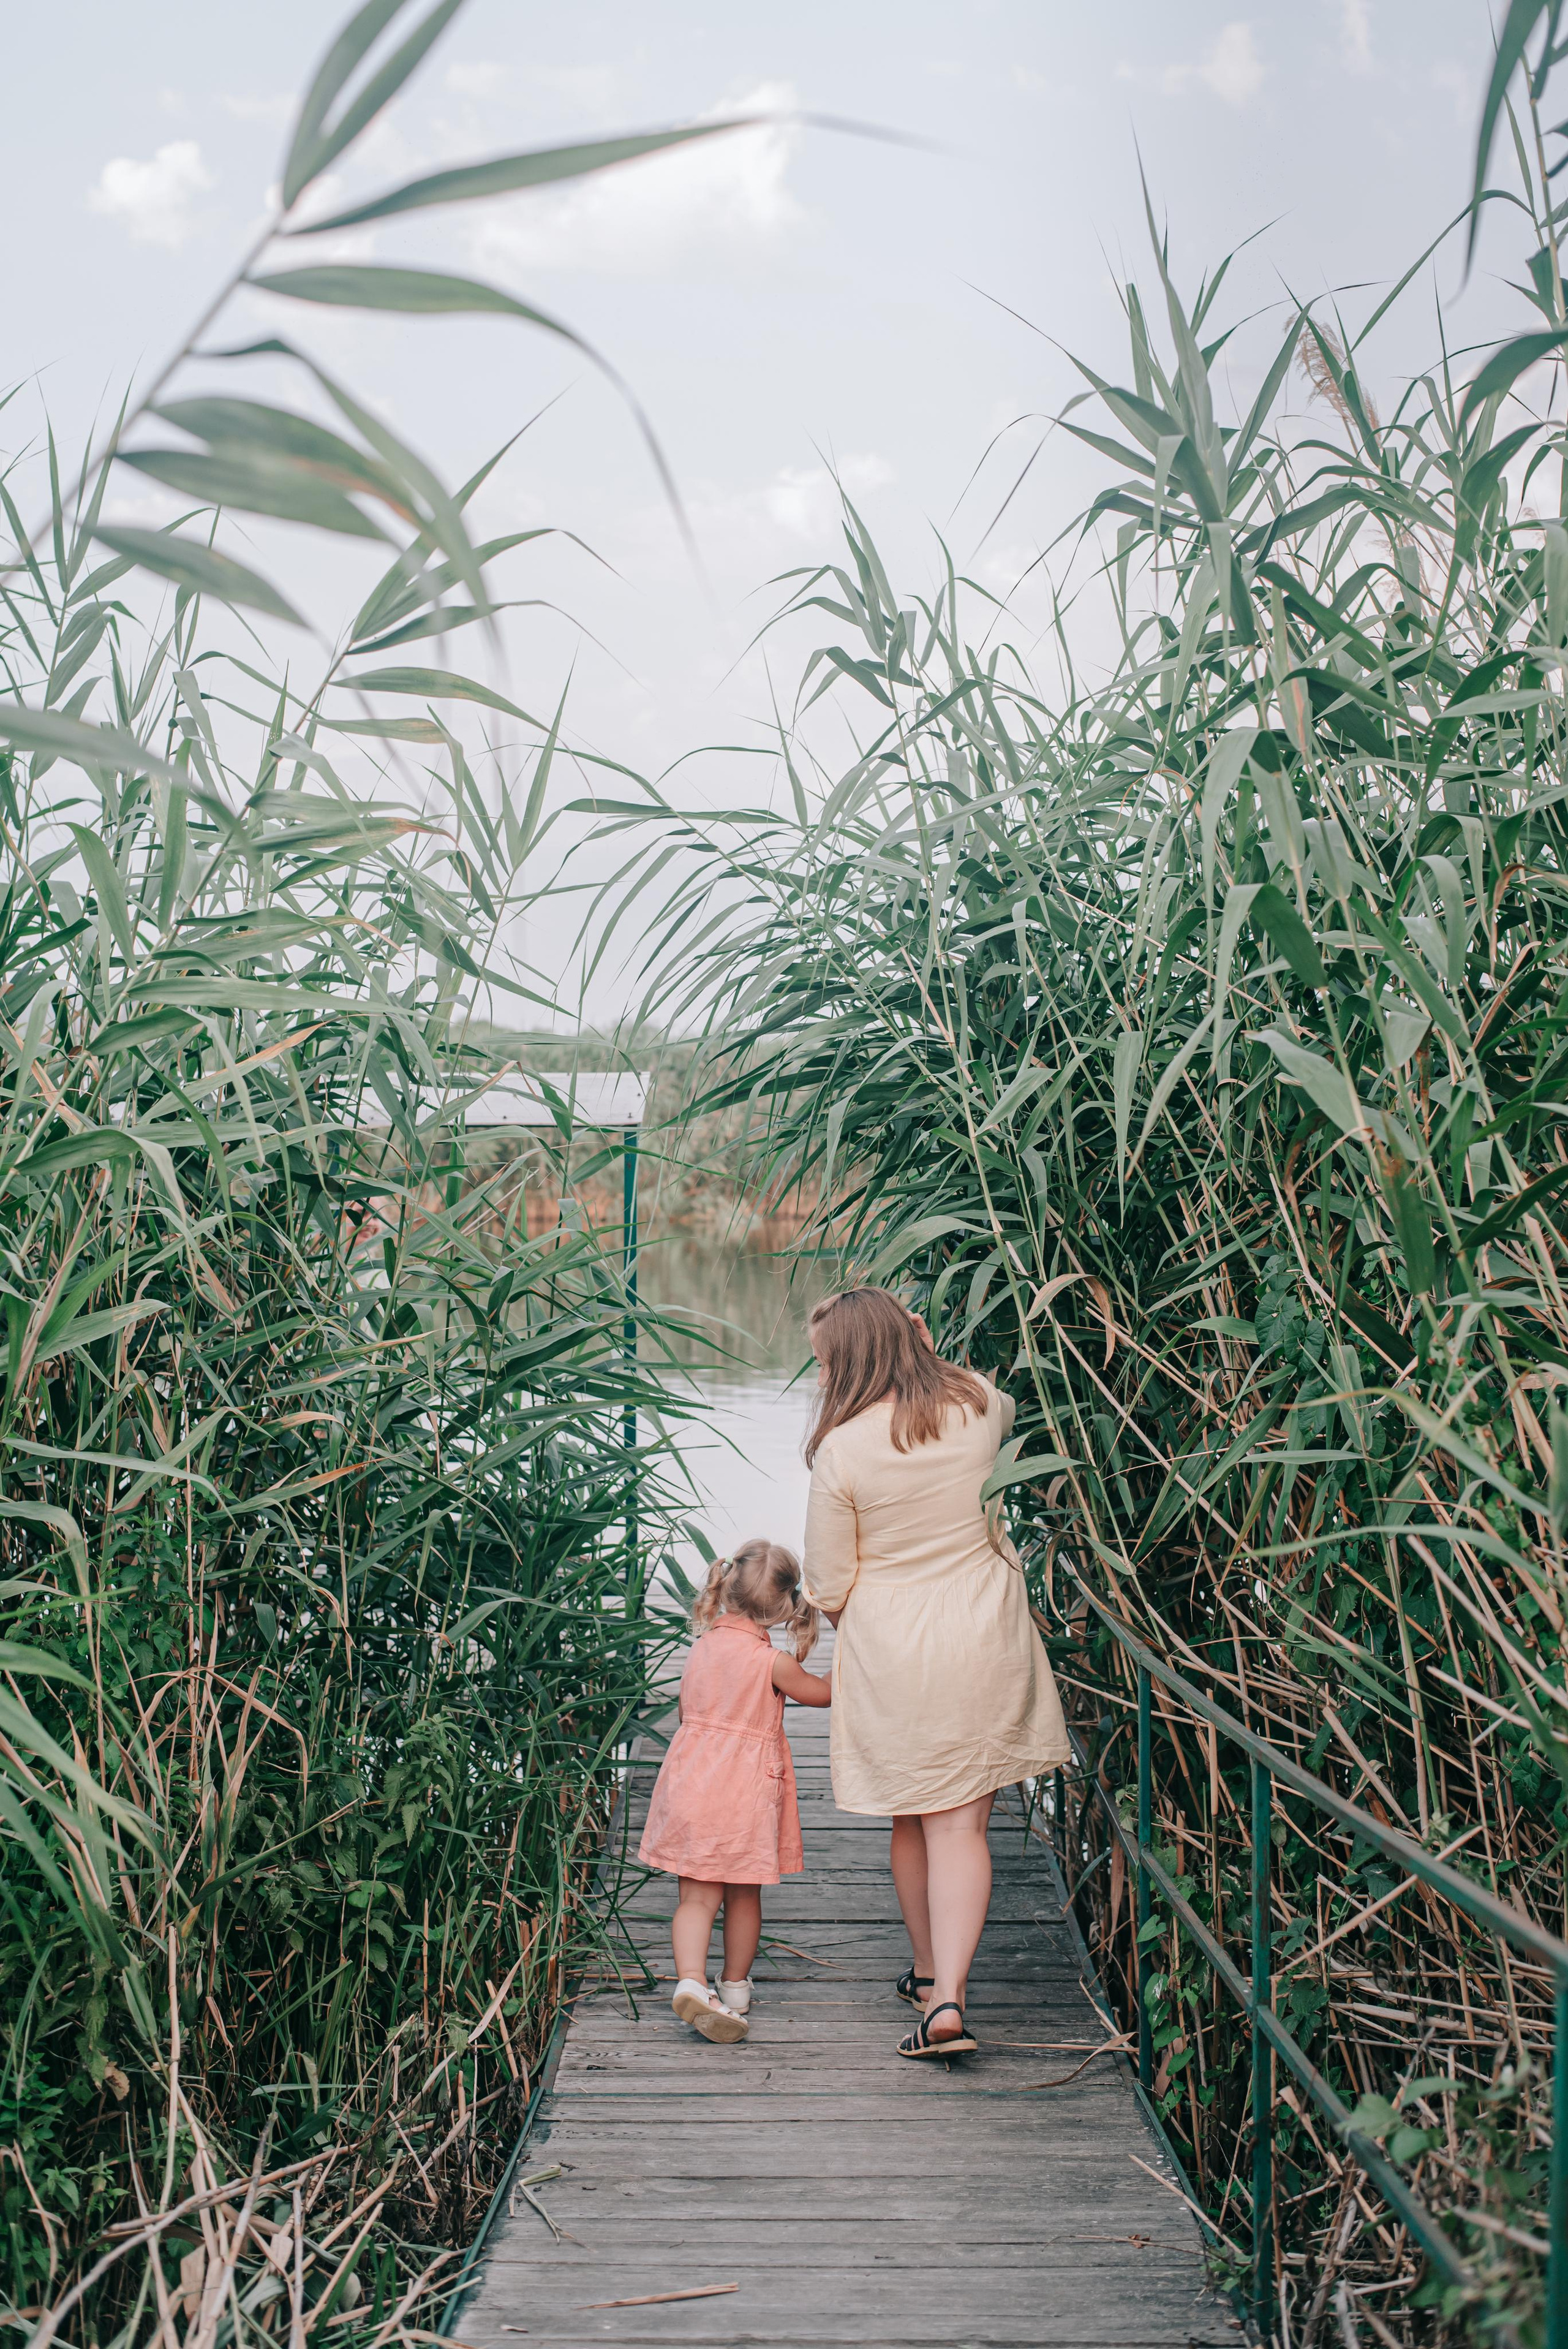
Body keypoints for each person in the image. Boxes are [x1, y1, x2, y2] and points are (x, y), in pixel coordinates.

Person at [802, 1287, 1069, 2058]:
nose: (821, 1379)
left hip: (895, 1647)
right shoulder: (978, 1405)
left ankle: (932, 1980)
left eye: (825, 1364)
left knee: (911, 1814)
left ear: (852, 1362)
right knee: (962, 1826)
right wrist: (928, 1345)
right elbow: (1005, 1400)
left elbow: (826, 1583)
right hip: (984, 1633)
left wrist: (868, 1632)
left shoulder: (842, 1451)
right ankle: (942, 1991)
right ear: (907, 1339)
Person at [639, 1537, 831, 2043]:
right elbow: (824, 1695)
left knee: (696, 1899)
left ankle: (691, 1982)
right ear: (784, 1606)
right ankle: (736, 1989)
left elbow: (687, 1714)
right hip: (741, 1798)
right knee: (744, 1896)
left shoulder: (701, 1649)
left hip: (691, 1786)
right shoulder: (773, 1664)